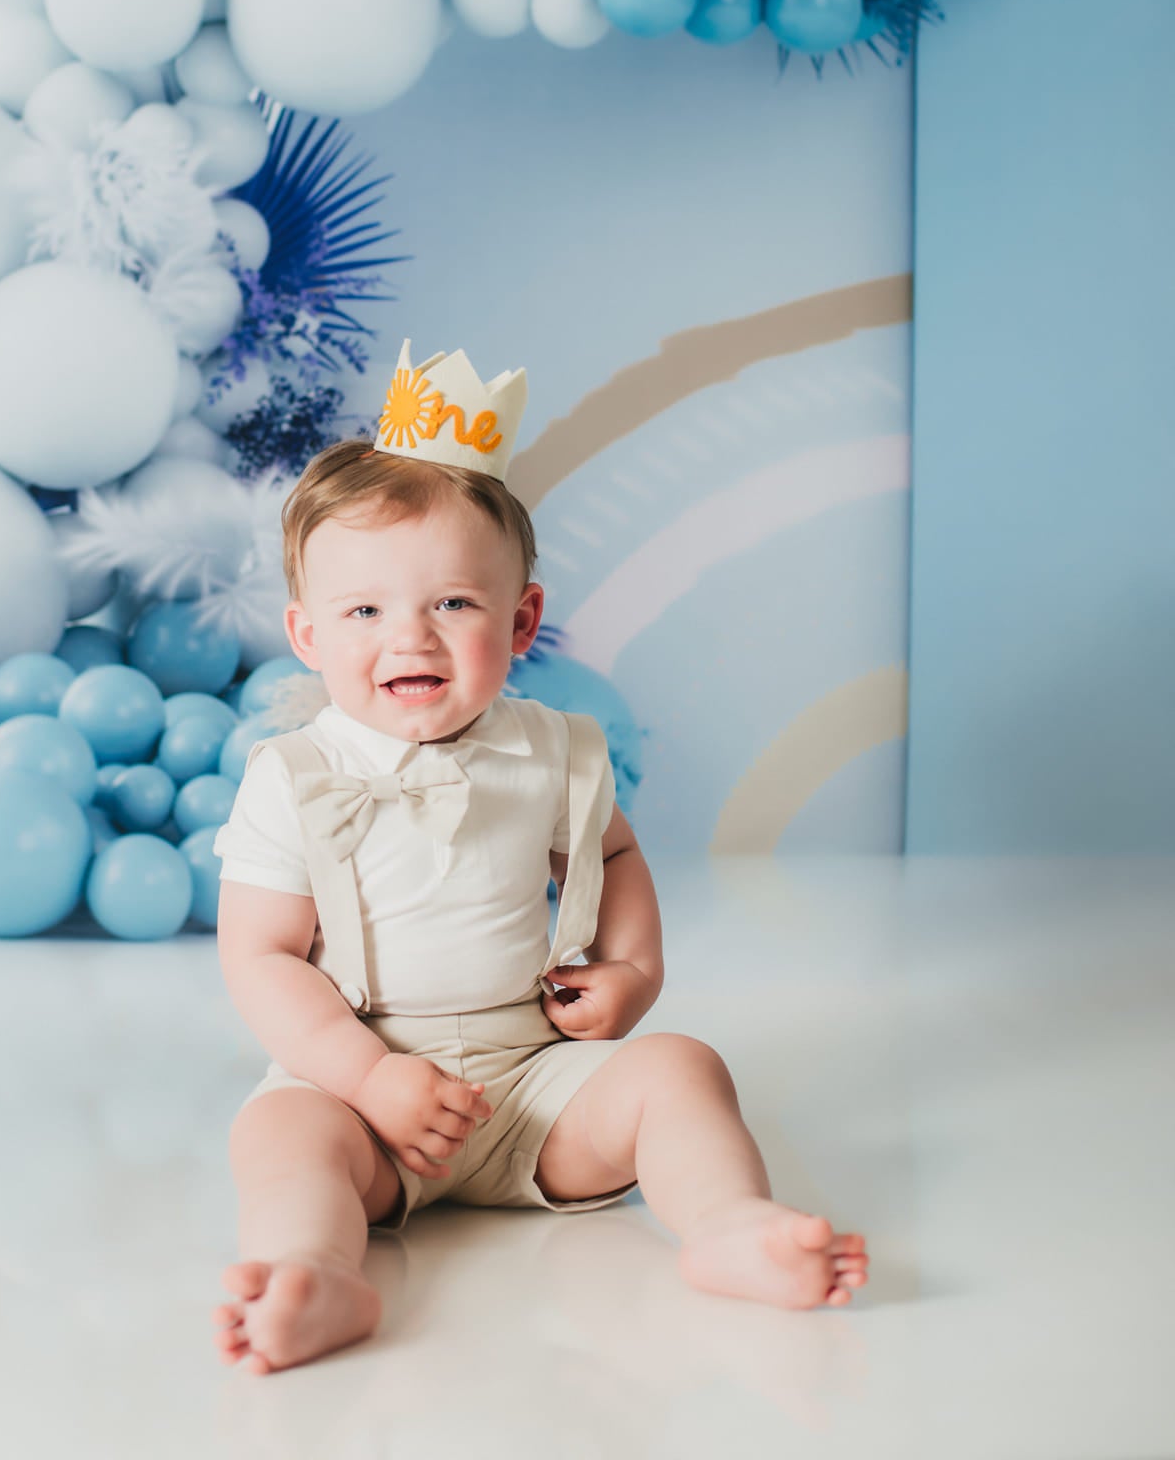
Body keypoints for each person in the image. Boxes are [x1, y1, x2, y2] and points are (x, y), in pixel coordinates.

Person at [211, 339, 870, 1375]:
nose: (410, 637)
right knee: (281, 1137)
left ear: (520, 618)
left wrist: (629, 976)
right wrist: (368, 1075)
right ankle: (315, 1272)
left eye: (452, 603)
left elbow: (616, 855)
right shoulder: (290, 774)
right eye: (364, 610)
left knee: (679, 1069)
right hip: (364, 1094)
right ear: (306, 633)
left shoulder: (553, 748)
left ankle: (729, 1224)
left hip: (532, 1080)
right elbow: (260, 957)